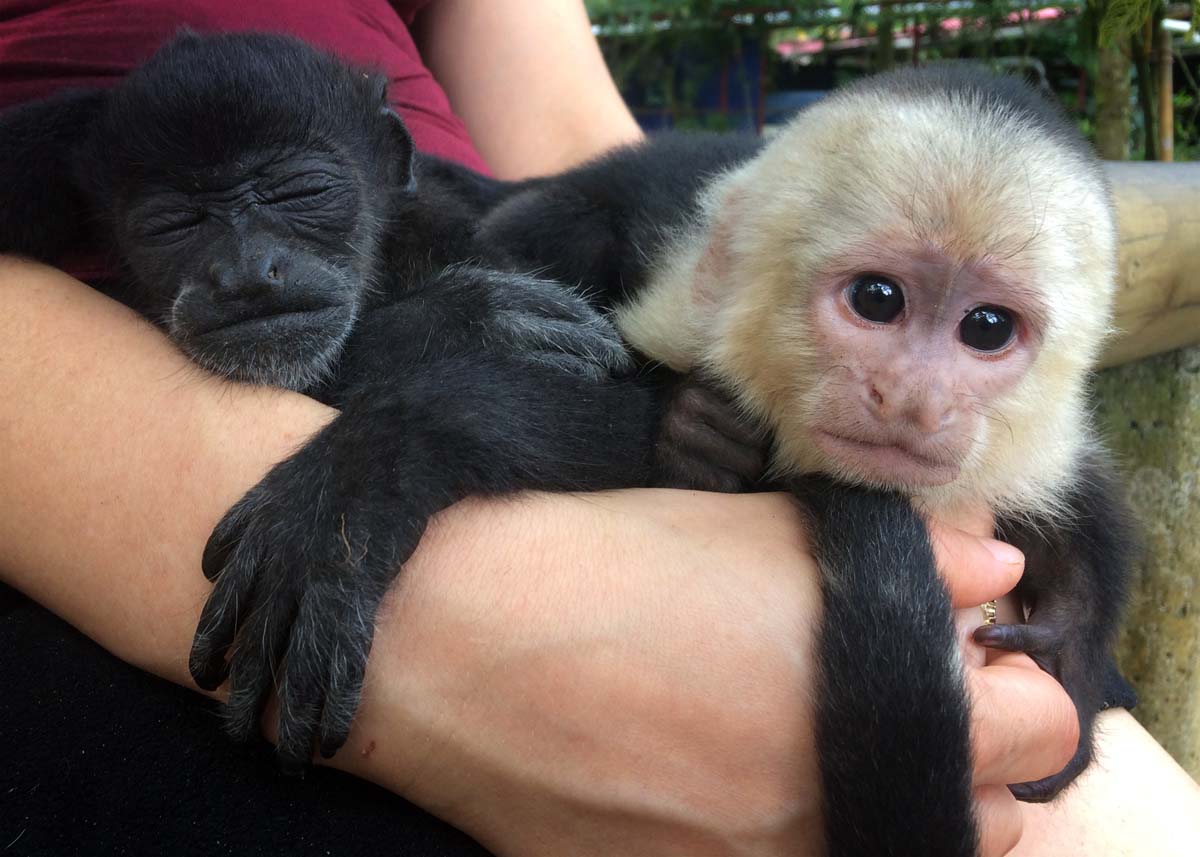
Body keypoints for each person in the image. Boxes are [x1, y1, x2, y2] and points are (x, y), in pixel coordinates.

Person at [0, 2, 1196, 856]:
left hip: (491, 272)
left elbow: (592, 154)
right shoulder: (78, 151)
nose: (920, 396)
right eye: (879, 299)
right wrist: (465, 635)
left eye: (988, 332)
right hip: (105, 450)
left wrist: (742, 269)